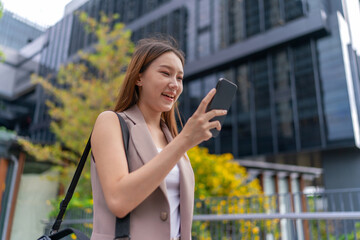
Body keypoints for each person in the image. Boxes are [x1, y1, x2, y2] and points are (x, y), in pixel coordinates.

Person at [90, 37, 227, 240]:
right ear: (139, 78)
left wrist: (181, 142)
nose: (174, 84)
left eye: (179, 78)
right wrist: (184, 141)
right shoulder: (111, 122)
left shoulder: (172, 138)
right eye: (165, 73)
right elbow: (119, 201)